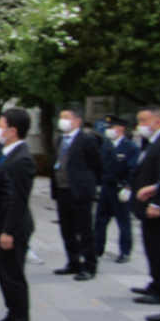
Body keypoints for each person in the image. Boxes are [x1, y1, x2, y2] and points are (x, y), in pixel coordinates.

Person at [0, 108, 37, 321]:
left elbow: (17, 200)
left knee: (14, 276)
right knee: (5, 275)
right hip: (2, 223)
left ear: (12, 130)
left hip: (13, 228)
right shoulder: (7, 153)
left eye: (0, 124)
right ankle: (11, 315)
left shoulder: (22, 159)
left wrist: (7, 231)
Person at [131, 105, 160, 315]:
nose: (140, 126)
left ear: (157, 122)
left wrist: (157, 202)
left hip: (158, 208)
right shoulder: (153, 142)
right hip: (148, 204)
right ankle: (156, 284)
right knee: (153, 248)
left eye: (143, 121)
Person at [50, 106, 102, 281]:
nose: (62, 120)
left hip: (79, 191)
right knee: (67, 229)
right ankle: (73, 262)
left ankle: (89, 265)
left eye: (66, 117)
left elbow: (97, 165)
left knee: (84, 229)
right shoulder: (59, 140)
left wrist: (89, 184)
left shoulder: (87, 140)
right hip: (62, 190)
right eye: (61, 116)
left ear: (77, 121)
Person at [93, 115, 140, 263]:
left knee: (123, 221)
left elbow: (133, 169)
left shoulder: (130, 147)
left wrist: (128, 186)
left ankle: (125, 252)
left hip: (121, 189)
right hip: (106, 187)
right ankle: (97, 248)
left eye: (111, 127)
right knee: (100, 220)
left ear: (120, 129)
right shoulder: (106, 146)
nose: (109, 131)